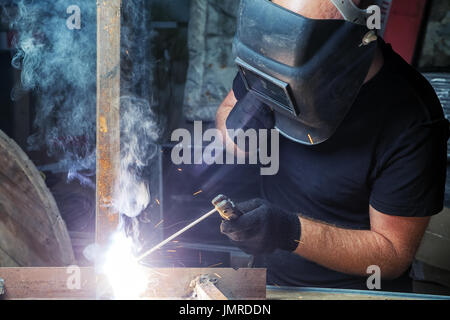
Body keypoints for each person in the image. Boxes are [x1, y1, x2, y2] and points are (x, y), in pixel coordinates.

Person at [215, 0, 449, 291]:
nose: (285, 56)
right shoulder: (275, 58)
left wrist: (289, 231)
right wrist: (240, 136)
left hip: (352, 294)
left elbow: (392, 255)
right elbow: (227, 111)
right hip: (271, 284)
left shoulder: (412, 118)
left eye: (300, 47)